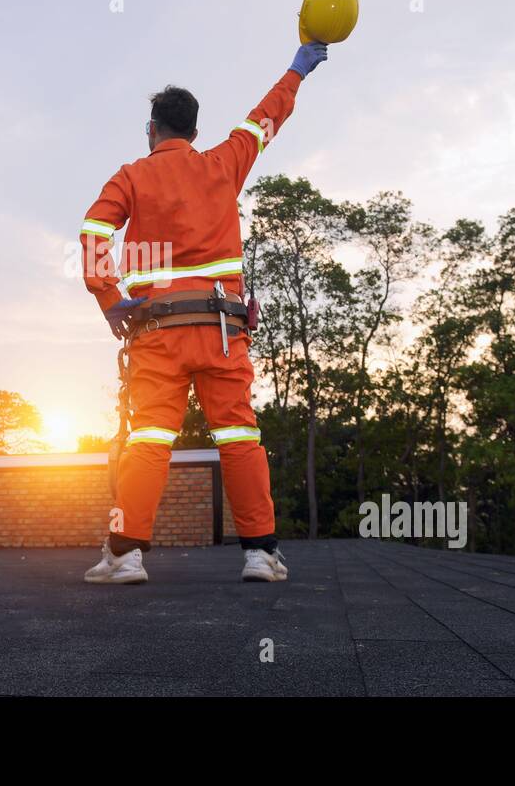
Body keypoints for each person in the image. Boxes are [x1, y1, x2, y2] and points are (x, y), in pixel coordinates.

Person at [78, 41, 329, 584]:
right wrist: (297, 69)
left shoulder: (131, 176)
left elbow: (94, 230)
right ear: (194, 131)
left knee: (148, 439)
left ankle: (124, 557)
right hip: (221, 330)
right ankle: (260, 554)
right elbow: (266, 119)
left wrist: (108, 297)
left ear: (152, 130)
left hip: (155, 332)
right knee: (238, 436)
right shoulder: (224, 162)